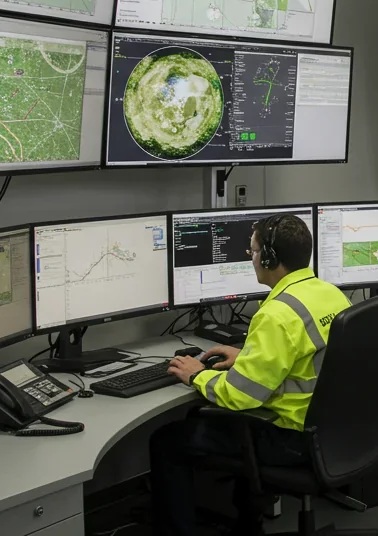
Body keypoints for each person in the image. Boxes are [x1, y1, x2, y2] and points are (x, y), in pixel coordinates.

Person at [150, 214, 351, 536]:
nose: (251, 257)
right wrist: (248, 357)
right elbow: (307, 356)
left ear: (269, 258)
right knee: (200, 420)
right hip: (335, 428)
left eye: (253, 250)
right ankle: (246, 521)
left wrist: (197, 374)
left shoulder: (276, 313)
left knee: (168, 440)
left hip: (291, 436)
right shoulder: (328, 293)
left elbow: (241, 396)